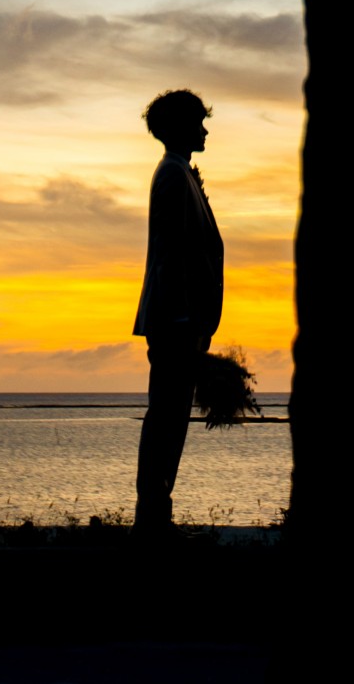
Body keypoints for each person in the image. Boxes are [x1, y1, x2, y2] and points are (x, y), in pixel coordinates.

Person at [133, 86, 224, 534]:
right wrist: (185, 318)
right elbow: (173, 253)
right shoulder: (171, 174)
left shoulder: (181, 173)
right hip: (174, 320)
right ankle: (151, 518)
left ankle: (156, 514)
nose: (205, 129)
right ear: (176, 128)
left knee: (172, 420)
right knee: (166, 419)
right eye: (198, 121)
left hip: (182, 320)